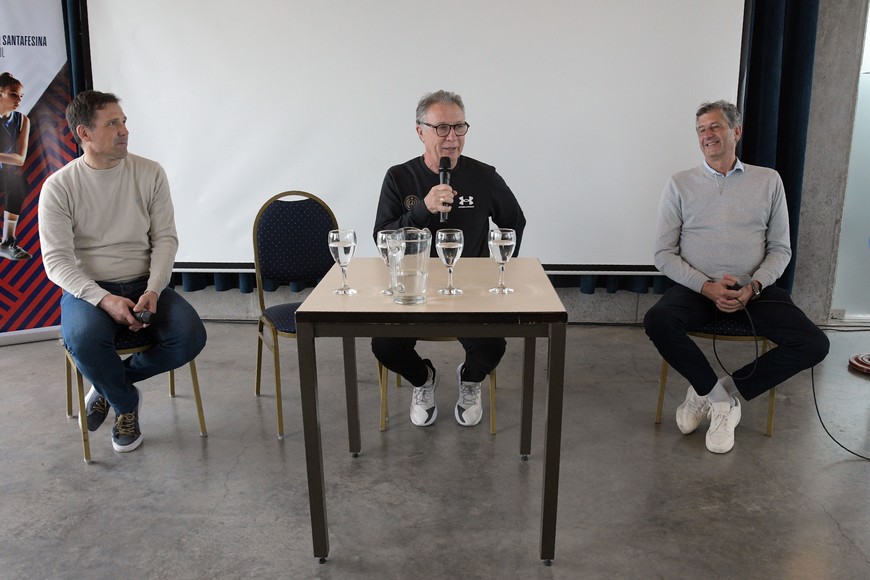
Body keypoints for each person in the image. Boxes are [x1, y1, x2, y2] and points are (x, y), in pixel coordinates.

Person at [643, 100, 829, 454]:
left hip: (753, 290)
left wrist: (754, 286)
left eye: (715, 126)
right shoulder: (679, 184)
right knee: (657, 320)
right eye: (701, 130)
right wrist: (706, 286)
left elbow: (780, 249)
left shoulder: (768, 180)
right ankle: (718, 399)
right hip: (698, 289)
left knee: (815, 344)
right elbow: (663, 254)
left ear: (736, 131)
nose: (707, 135)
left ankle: (719, 392)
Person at [39, 91, 207, 453]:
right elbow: (56, 262)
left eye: (124, 121)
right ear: (84, 133)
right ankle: (126, 404)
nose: (124, 130)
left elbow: (165, 239)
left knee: (190, 337)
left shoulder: (149, 172)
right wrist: (104, 299)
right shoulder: (59, 187)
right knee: (83, 340)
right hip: (89, 290)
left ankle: (108, 386)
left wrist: (154, 289)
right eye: (112, 123)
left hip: (144, 283)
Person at [372, 90, 526, 428]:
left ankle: (469, 380)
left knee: (493, 345)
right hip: (414, 291)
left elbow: (514, 222)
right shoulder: (399, 177)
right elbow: (383, 237)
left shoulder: (484, 176)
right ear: (420, 131)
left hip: (470, 292)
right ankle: (423, 378)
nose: (452, 138)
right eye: (442, 128)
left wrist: (499, 270)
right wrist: (422, 209)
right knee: (384, 344)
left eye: (459, 127)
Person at [0, 72, 32, 260]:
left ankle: (8, 241)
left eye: (21, 96)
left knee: (19, 184)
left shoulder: (22, 120)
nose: (19, 100)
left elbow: (19, 159)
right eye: (13, 94)